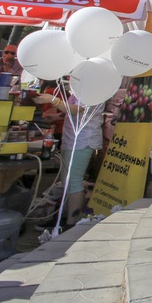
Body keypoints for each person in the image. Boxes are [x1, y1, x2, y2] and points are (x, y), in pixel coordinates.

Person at [35, 90, 105, 228]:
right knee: (66, 180)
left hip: (83, 141)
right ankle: (64, 216)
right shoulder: (81, 89)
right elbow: (73, 110)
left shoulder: (94, 88)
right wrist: (57, 116)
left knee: (74, 182)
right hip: (71, 139)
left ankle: (70, 224)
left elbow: (77, 110)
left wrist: (53, 99)